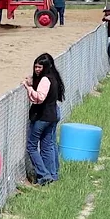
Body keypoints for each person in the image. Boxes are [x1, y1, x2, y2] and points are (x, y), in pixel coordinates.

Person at [22, 53, 65, 185]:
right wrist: (32, 82)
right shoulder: (54, 78)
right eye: (35, 67)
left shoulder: (45, 80)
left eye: (40, 67)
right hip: (52, 115)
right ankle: (53, 174)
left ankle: (44, 175)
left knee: (32, 146)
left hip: (42, 117)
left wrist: (28, 88)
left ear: (46, 66)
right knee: (48, 146)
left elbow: (39, 97)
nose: (37, 69)